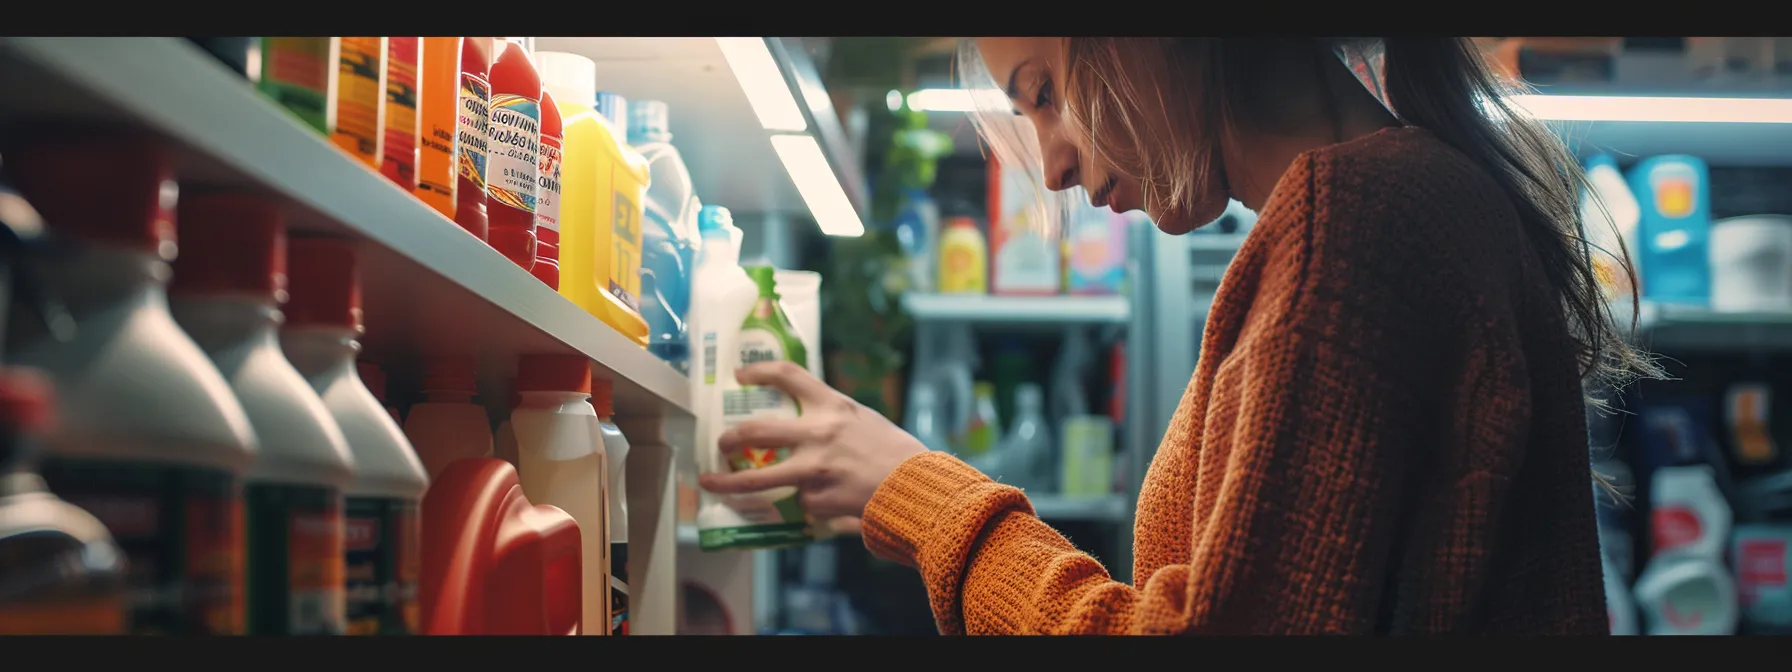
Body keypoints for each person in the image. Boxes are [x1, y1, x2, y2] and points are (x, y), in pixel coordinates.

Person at [700, 37, 1661, 635]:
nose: (1057, 161)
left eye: (1043, 93)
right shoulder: (1374, 209)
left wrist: (917, 493)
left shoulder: (1359, 224)